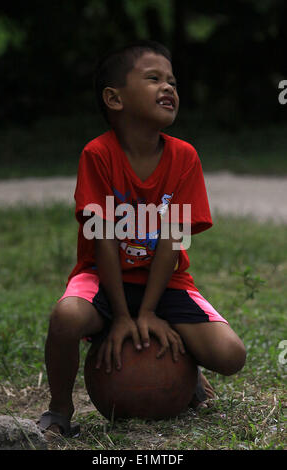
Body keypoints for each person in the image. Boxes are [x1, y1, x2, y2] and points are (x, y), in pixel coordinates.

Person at [37, 40, 246, 438]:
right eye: (153, 79)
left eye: (172, 81)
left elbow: (173, 239)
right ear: (114, 98)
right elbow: (103, 241)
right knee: (65, 319)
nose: (168, 87)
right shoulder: (97, 155)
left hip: (165, 282)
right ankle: (60, 410)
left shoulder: (185, 157)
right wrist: (120, 314)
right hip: (104, 276)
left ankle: (189, 377)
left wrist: (147, 312)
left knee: (231, 355)